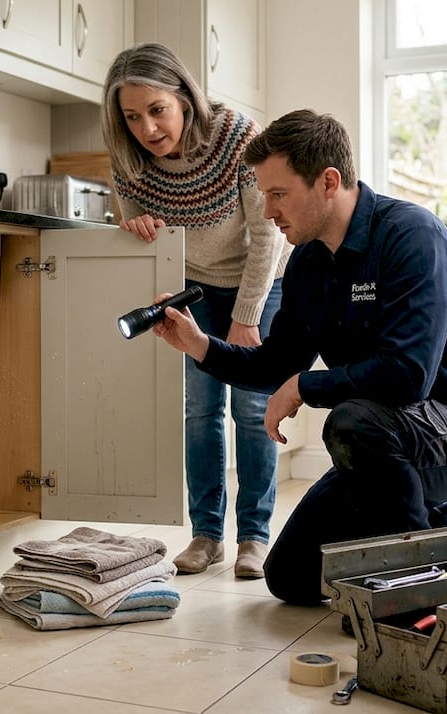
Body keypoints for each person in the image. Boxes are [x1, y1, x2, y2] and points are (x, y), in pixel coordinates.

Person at [149, 109, 447, 605]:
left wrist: (306, 387)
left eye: (279, 194)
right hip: (382, 441)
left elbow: (409, 376)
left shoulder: (412, 236)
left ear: (328, 181)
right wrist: (200, 345)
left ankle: (415, 588)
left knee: (352, 421)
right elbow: (275, 364)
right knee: (290, 577)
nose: (268, 211)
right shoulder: (308, 262)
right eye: (265, 195)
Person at [101, 43, 291, 579]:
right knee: (200, 411)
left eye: (157, 110)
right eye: (131, 116)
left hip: (260, 280)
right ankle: (206, 535)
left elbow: (268, 236)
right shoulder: (129, 158)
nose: (146, 128)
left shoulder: (237, 138)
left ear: (184, 97)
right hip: (194, 289)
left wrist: (246, 315)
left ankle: (254, 538)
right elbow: (146, 235)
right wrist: (136, 226)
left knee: (252, 411)